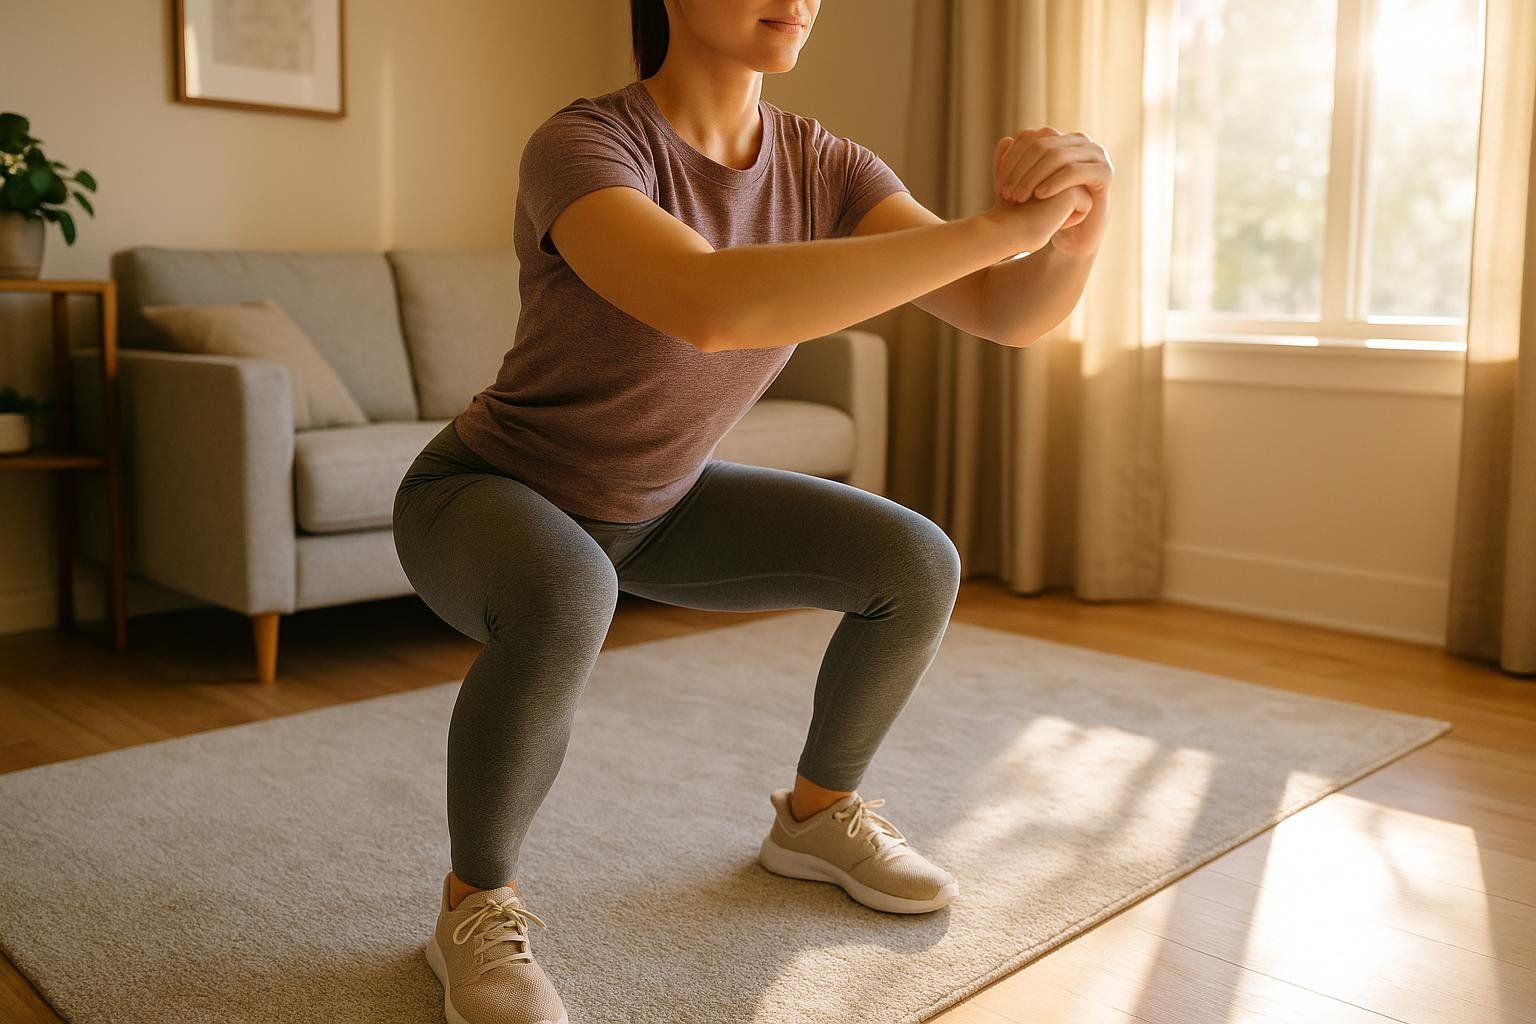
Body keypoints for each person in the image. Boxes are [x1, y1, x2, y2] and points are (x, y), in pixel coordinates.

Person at [392, 2, 1104, 1021]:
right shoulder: (585, 143)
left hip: (660, 502)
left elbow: (1004, 312)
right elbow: (708, 302)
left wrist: (1079, 217)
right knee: (567, 586)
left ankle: (816, 816)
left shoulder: (831, 168)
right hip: (485, 490)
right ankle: (473, 904)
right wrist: (994, 231)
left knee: (914, 563)